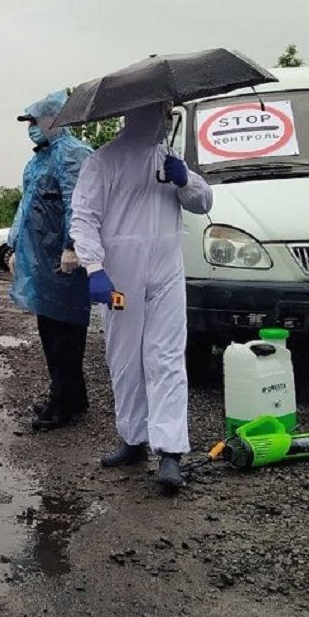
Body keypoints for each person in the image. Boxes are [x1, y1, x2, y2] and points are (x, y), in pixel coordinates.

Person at [69, 102, 213, 492]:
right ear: (133, 114)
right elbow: (83, 216)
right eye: (157, 112)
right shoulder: (104, 160)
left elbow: (203, 203)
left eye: (165, 112)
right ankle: (133, 438)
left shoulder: (169, 157)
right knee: (125, 357)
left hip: (167, 270)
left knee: (166, 355)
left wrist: (186, 181)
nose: (162, 119)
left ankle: (169, 451)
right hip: (121, 275)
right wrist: (94, 267)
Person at [7, 90, 93, 431]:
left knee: (66, 336)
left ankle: (62, 405)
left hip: (64, 263)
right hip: (41, 262)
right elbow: (25, 206)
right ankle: (71, 397)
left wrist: (72, 246)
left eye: (35, 120)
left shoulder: (73, 154)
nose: (31, 127)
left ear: (55, 119)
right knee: (51, 331)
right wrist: (14, 245)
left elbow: (79, 203)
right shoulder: (39, 159)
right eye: (28, 122)